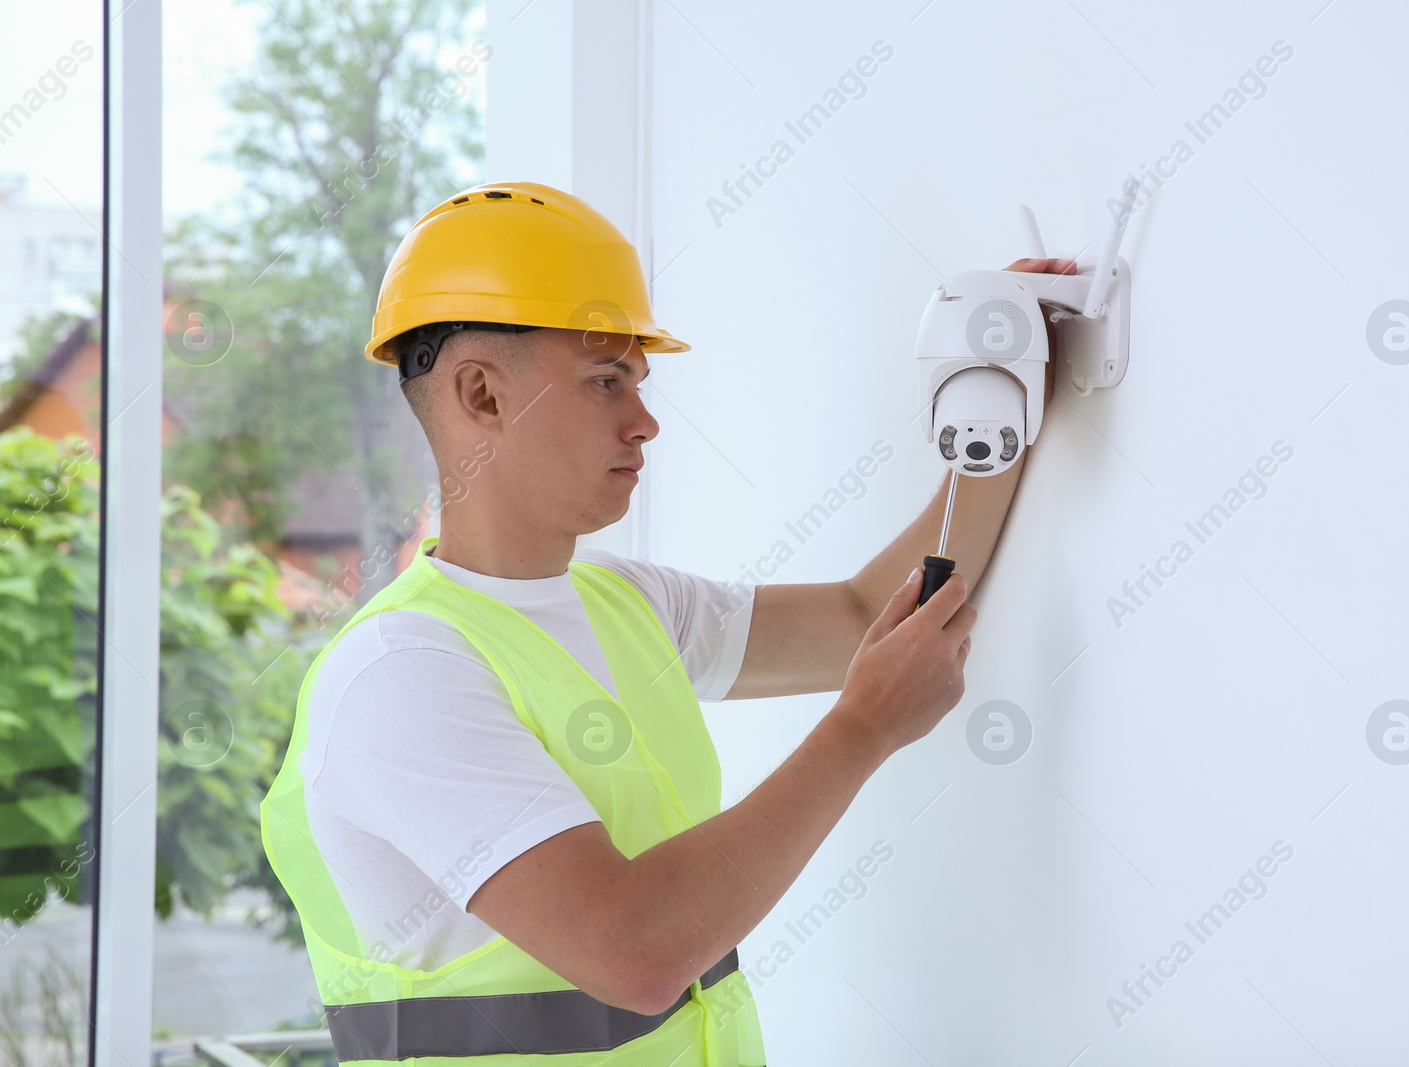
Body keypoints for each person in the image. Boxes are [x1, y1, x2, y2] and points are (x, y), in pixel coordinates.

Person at [261, 181, 1073, 1065]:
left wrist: (994, 407)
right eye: (606, 380)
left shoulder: (627, 604)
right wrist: (864, 729)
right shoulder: (401, 674)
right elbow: (634, 953)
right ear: (483, 396)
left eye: (638, 383)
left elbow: (856, 618)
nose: (644, 421)